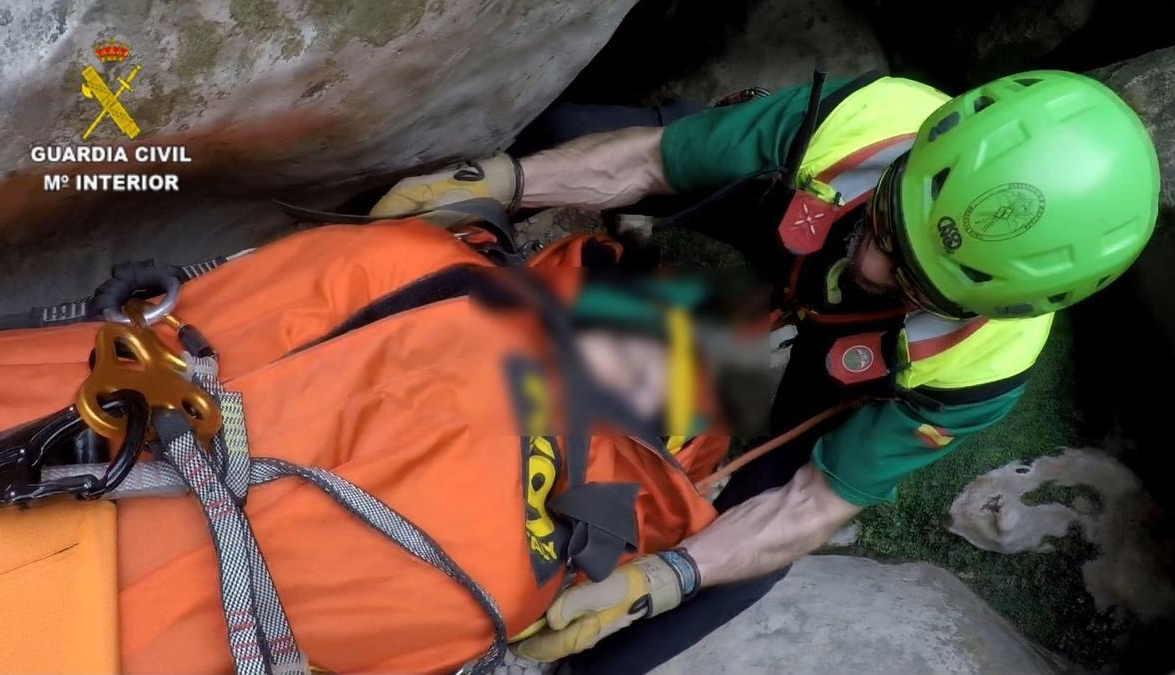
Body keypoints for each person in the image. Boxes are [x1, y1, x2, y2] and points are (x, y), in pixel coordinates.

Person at [369, 69, 1161, 673]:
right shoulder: (865, 123)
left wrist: (665, 578)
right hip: (796, 217)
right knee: (558, 130)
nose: (877, 265)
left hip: (858, 366)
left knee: (685, 607)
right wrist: (503, 184)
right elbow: (653, 160)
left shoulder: (975, 370)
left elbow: (813, 501)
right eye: (889, 221)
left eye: (918, 281)